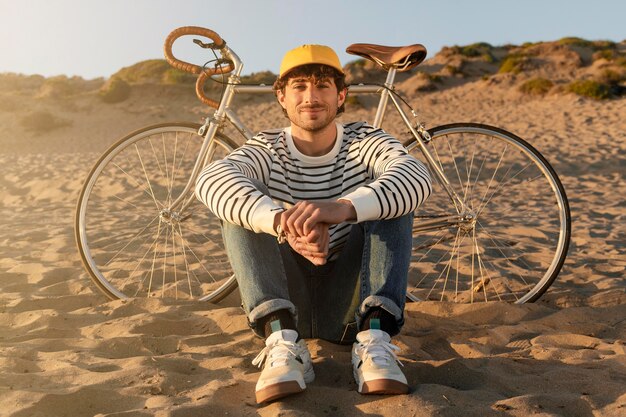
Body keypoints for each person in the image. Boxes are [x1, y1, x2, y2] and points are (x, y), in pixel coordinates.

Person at [195, 44, 432, 403]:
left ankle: (375, 342)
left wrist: (341, 208)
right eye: (300, 86)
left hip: (352, 306)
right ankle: (282, 344)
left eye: (323, 86)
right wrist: (282, 223)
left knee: (392, 200)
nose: (311, 97)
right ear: (281, 96)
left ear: (341, 96)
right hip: (288, 302)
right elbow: (211, 179)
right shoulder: (267, 147)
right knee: (241, 211)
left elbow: (415, 175)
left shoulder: (365, 139)